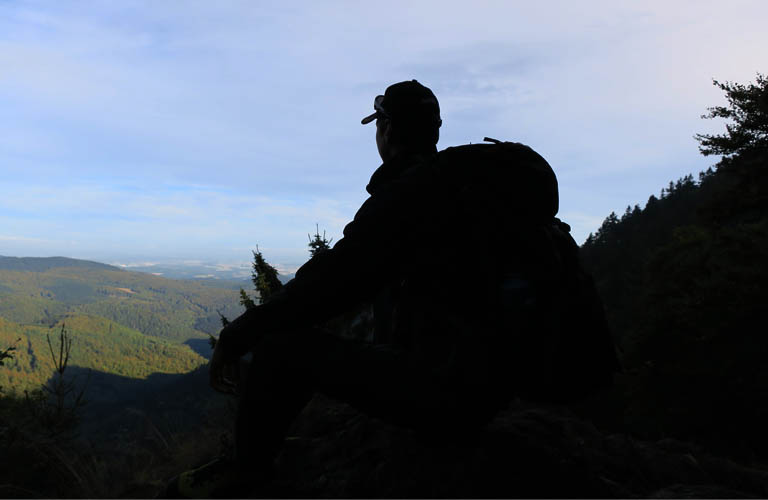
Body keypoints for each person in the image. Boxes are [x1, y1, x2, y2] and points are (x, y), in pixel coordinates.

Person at [165, 80, 618, 498]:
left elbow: (327, 284)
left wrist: (239, 334)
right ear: (434, 131)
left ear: (385, 129)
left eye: (379, 124)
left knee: (282, 350)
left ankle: (247, 477)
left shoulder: (411, 198)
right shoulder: (478, 194)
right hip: (509, 383)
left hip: (452, 394)